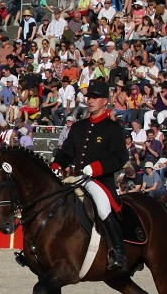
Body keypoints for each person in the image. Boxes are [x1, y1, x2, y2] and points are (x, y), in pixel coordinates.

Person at [52, 80, 128, 271]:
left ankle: (118, 252)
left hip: (99, 180)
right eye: (89, 97)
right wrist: (56, 164)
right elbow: (67, 151)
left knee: (103, 208)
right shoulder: (78, 127)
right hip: (77, 178)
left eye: (95, 97)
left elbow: (120, 158)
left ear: (105, 101)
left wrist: (96, 168)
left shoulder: (113, 129)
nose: (90, 100)